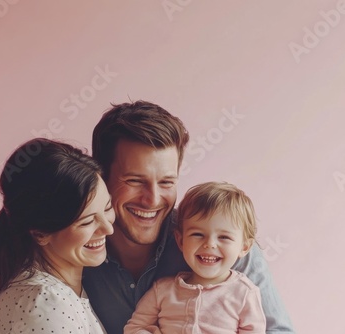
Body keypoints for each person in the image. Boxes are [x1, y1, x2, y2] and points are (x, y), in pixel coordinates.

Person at [83, 100, 294, 333]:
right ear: (101, 177)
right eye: (135, 181)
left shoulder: (227, 245)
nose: (152, 199)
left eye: (166, 182)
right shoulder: (76, 247)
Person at [0, 138, 115, 334]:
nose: (108, 229)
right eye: (87, 222)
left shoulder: (54, 292)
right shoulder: (45, 302)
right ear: (40, 233)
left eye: (107, 208)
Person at [124, 181, 266, 333]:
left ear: (244, 247)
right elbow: (135, 328)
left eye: (224, 237)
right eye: (198, 234)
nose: (210, 244)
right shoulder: (162, 290)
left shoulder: (244, 294)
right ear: (180, 240)